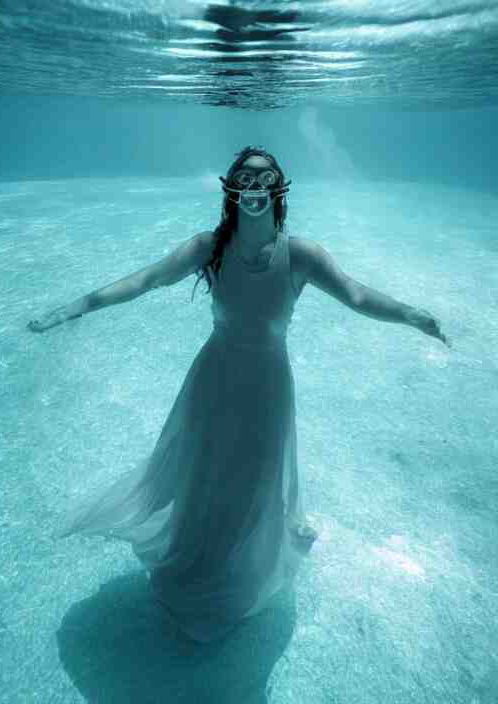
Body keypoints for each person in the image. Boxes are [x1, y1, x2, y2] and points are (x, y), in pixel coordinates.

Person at [27, 146, 450, 643]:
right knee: (205, 473)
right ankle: (200, 562)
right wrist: (76, 306)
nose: (253, 187)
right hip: (214, 378)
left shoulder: (303, 255)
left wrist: (414, 315)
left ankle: (242, 572)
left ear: (278, 188)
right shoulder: (208, 247)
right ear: (230, 188)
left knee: (256, 480)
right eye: (244, 178)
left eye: (263, 177)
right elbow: (145, 280)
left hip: (270, 385)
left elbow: (357, 296)